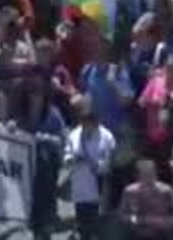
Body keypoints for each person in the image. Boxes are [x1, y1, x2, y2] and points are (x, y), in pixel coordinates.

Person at [66, 101, 116, 240]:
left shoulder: (107, 137)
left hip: (97, 188)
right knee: (82, 224)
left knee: (97, 227)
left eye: (89, 122)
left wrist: (92, 163)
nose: (86, 125)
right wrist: (73, 159)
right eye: (83, 122)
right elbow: (67, 156)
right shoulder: (73, 135)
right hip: (80, 186)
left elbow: (107, 163)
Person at [119, 158, 173, 240]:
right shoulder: (129, 192)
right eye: (145, 175)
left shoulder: (166, 191)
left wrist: (163, 222)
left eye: (151, 174)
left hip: (161, 236)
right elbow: (122, 216)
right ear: (138, 176)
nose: (149, 178)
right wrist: (139, 220)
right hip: (136, 236)